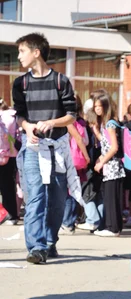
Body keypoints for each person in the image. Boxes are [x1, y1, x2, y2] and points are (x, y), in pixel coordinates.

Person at [12, 32, 78, 263]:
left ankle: (50, 242)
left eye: (22, 51)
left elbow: (72, 116)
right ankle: (36, 247)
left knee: (58, 201)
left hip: (57, 148)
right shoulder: (21, 83)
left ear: (36, 52)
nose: (18, 56)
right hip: (32, 147)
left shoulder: (61, 81)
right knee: (36, 196)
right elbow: (19, 116)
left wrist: (52, 122)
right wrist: (27, 126)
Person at [91, 91, 125, 237]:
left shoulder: (110, 123)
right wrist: (97, 132)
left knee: (112, 198)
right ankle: (111, 226)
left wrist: (101, 162)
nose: (96, 109)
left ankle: (113, 228)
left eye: (99, 106)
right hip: (110, 167)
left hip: (113, 167)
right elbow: (106, 143)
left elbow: (114, 147)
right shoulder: (108, 123)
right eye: (95, 106)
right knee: (110, 196)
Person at [60, 94, 90, 234]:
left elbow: (78, 138)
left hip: (71, 158)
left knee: (70, 191)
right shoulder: (81, 121)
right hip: (77, 159)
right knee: (74, 189)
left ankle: (67, 222)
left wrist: (86, 156)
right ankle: (69, 221)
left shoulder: (69, 121)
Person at [0, 99, 19, 224]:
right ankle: (12, 214)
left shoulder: (3, 118)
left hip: (3, 153)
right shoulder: (13, 116)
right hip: (11, 153)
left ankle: (8, 214)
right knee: (9, 186)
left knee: (6, 186)